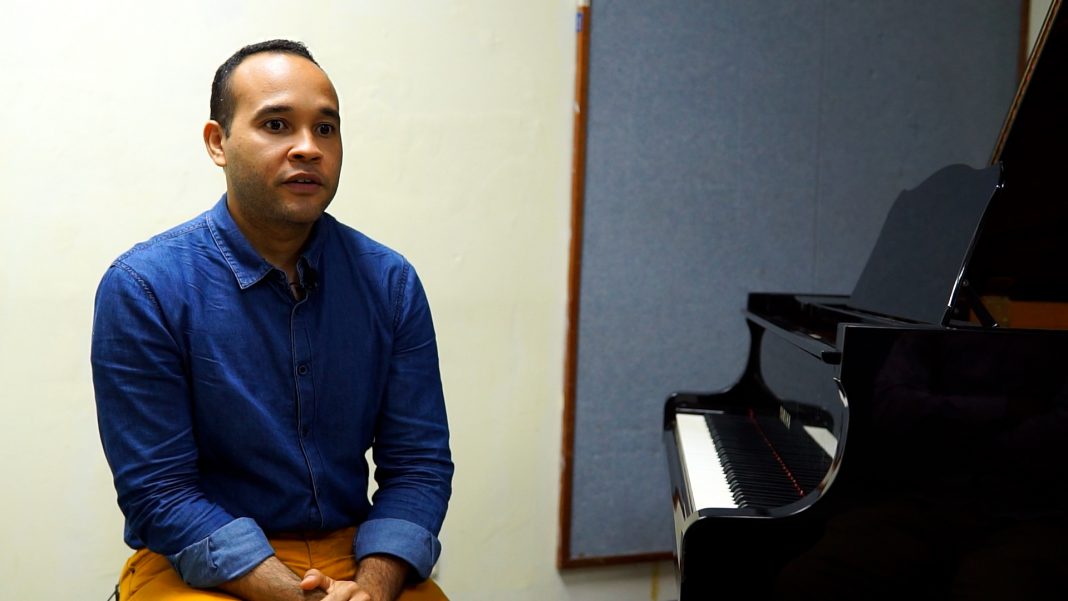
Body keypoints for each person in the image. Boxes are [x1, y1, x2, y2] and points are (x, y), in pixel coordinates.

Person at [91, 40, 453, 601]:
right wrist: (296, 596)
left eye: (325, 129)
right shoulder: (144, 287)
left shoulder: (390, 282)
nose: (308, 148)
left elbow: (418, 465)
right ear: (218, 142)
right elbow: (159, 492)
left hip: (355, 556)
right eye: (276, 124)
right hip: (210, 563)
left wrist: (373, 588)